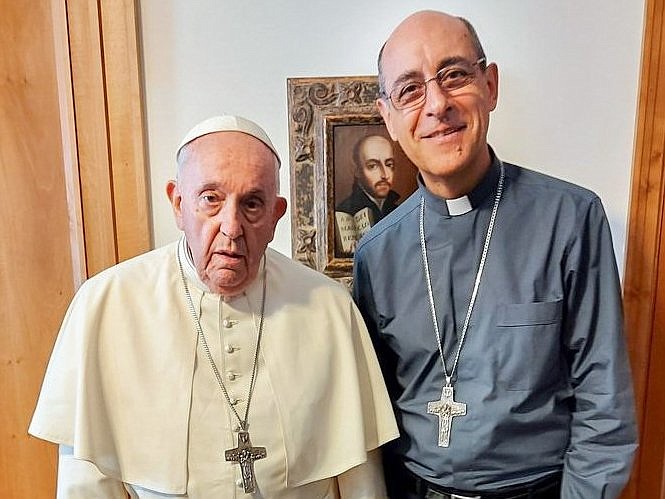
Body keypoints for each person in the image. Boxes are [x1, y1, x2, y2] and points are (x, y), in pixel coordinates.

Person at [29, 115, 399, 498]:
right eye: (211, 199)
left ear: (276, 215)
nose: (231, 227)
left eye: (252, 203)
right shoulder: (104, 306)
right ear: (178, 203)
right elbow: (85, 483)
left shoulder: (330, 309)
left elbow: (361, 479)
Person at [352, 10, 637, 499]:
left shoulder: (570, 219)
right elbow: (372, 414)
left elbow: (604, 404)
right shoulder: (377, 252)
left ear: (491, 85)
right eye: (411, 90)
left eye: (455, 75)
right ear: (390, 119)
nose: (437, 103)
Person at [337, 134, 400, 224]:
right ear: (357, 170)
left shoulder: (399, 210)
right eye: (373, 166)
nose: (384, 175)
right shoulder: (345, 214)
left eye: (389, 164)